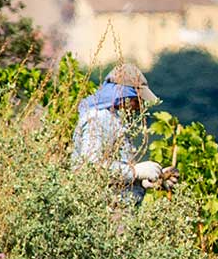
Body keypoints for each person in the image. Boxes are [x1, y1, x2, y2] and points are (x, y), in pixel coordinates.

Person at [70, 62, 171, 200]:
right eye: (137, 100)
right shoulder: (98, 118)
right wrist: (135, 172)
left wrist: (144, 182)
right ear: (123, 95)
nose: (139, 107)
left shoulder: (113, 119)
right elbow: (92, 167)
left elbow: (114, 171)